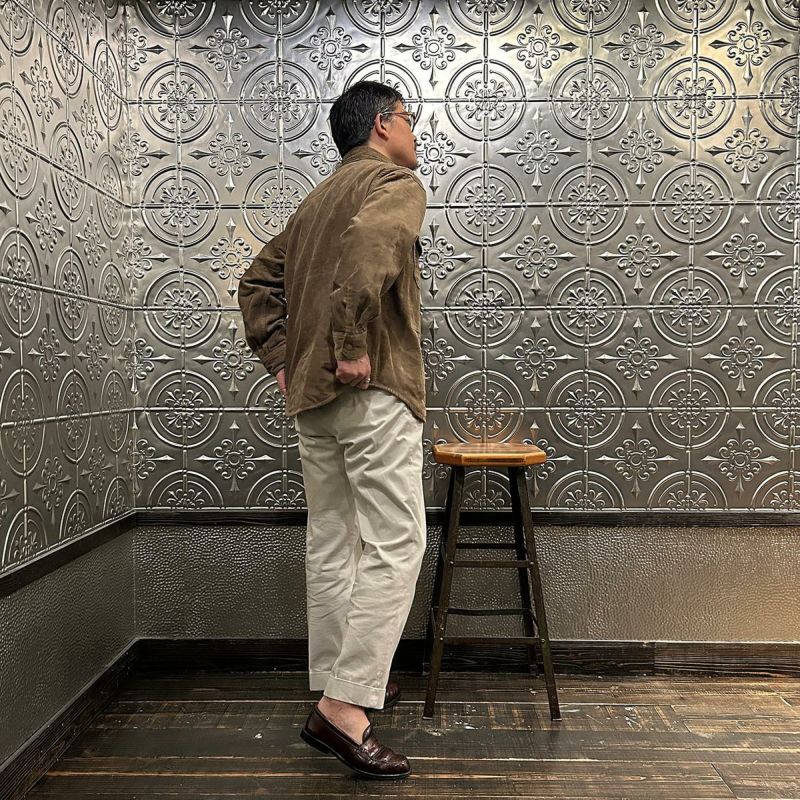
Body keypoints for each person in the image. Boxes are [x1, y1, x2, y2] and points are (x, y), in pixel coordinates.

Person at [237, 80, 428, 780]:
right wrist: (350, 344)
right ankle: (344, 708)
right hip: (370, 388)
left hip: (314, 400)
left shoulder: (316, 201)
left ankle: (337, 681)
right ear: (381, 125)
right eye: (408, 118)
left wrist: (284, 362)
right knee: (396, 542)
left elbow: (256, 284)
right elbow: (374, 246)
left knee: (334, 541)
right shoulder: (395, 183)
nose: (413, 131)